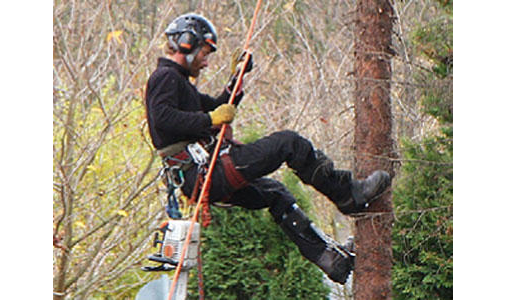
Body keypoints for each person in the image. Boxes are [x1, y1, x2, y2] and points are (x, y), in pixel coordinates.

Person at [144, 13, 391, 284]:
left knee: (275, 195)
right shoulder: (164, 77)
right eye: (205, 51)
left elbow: (217, 106)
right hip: (205, 172)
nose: (206, 60)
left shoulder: (179, 84)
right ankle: (347, 194)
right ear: (187, 44)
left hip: (204, 175)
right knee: (289, 144)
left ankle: (331, 259)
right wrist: (210, 119)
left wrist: (236, 80)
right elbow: (163, 118)